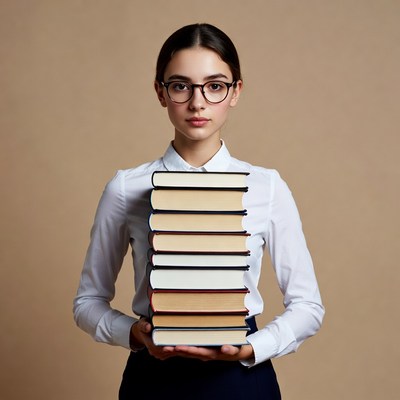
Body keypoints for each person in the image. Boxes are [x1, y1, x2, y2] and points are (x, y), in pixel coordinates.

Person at [73, 23, 324, 400]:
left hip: (240, 378)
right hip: (154, 376)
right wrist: (134, 334)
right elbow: (87, 302)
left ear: (235, 91)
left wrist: (253, 347)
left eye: (215, 85)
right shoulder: (126, 187)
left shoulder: (266, 186)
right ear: (161, 92)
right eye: (181, 85)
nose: (198, 102)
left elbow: (308, 305)